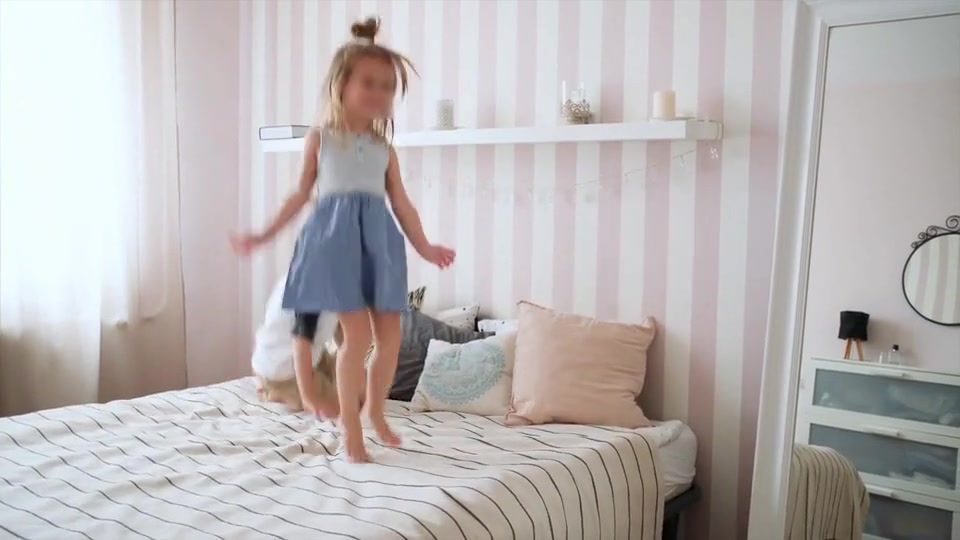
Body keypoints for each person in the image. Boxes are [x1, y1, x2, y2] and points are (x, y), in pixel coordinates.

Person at [231, 17, 454, 463]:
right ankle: (351, 428)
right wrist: (264, 234)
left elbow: (402, 204)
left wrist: (425, 247)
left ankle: (376, 409)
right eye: (369, 83)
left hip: (379, 244)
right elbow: (299, 195)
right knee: (355, 335)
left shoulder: (384, 150)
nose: (379, 93)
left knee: (389, 339)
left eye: (387, 86)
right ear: (341, 84)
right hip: (334, 245)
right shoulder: (321, 139)